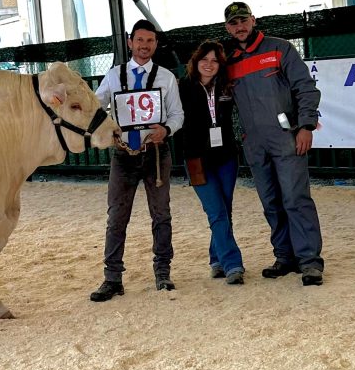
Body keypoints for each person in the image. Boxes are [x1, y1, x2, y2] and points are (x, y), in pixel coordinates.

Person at [223, 0, 324, 287]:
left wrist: (306, 126)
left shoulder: (280, 49)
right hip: (254, 144)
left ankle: (310, 262)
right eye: (233, 23)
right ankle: (285, 257)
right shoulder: (229, 62)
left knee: (295, 199)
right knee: (270, 202)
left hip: (287, 138)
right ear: (227, 28)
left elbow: (305, 88)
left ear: (253, 20)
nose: (239, 26)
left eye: (243, 20)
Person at [90, 19, 184, 299]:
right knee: (117, 216)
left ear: (156, 44)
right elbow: (97, 107)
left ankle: (163, 272)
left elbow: (177, 114)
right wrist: (108, 129)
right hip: (123, 155)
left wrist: (166, 129)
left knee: (161, 213)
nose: (145, 46)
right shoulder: (114, 75)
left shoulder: (166, 77)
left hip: (156, 154)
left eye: (150, 41)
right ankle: (112, 278)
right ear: (130, 42)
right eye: (140, 40)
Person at [179, 40, 244, 285]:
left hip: (227, 157)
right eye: (204, 59)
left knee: (223, 211)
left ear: (220, 64)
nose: (209, 64)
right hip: (197, 160)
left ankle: (216, 259)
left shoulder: (227, 87)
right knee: (216, 211)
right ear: (196, 62)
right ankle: (233, 264)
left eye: (214, 60)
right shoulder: (183, 87)